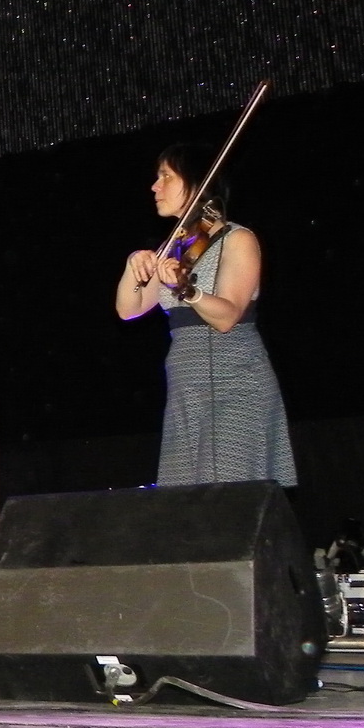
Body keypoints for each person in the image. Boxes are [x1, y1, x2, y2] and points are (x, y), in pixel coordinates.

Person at [116, 144, 297, 487]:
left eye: (166, 176)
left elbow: (228, 316)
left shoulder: (237, 239)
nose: (155, 186)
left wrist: (187, 290)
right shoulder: (175, 247)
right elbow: (129, 309)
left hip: (235, 386)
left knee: (228, 501)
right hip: (186, 391)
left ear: (196, 182)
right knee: (189, 504)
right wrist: (132, 265)